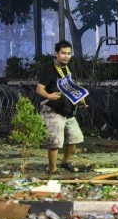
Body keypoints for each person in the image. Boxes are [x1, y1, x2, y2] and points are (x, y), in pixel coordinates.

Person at [36, 40, 85, 174]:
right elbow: (39, 89)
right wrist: (49, 96)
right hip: (52, 111)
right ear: (56, 54)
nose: (66, 56)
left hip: (67, 110)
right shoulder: (49, 70)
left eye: (68, 53)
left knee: (75, 136)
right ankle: (52, 169)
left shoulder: (68, 69)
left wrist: (79, 97)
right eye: (63, 53)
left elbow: (70, 87)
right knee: (55, 141)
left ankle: (65, 162)